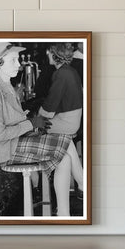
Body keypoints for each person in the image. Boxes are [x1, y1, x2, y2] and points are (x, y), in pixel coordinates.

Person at [0, 42, 73, 215]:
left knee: (66, 151)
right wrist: (31, 123)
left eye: (18, 60)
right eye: (13, 60)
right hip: (4, 150)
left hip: (13, 143)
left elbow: (12, 120)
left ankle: (63, 212)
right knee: (65, 156)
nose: (19, 64)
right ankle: (64, 214)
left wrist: (29, 119)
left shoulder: (6, 86)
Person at [38, 43, 84, 214]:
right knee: (66, 143)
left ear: (54, 54)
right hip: (73, 118)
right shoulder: (69, 71)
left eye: (49, 52)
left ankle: (37, 185)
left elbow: (50, 106)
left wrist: (38, 114)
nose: (47, 54)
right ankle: (82, 182)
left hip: (67, 120)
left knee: (39, 129)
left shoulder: (61, 74)